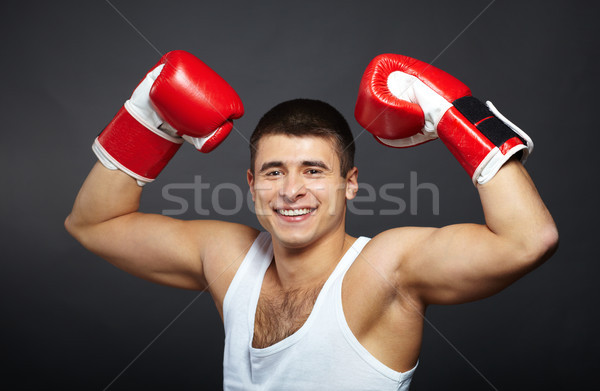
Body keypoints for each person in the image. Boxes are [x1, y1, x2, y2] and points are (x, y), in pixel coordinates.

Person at [65, 51, 558, 390]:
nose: (291, 190)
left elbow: (528, 240)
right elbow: (94, 223)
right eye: (273, 171)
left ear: (351, 183)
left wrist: (451, 113)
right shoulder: (228, 257)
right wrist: (144, 122)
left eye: (314, 171)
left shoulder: (386, 268)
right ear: (251, 185)